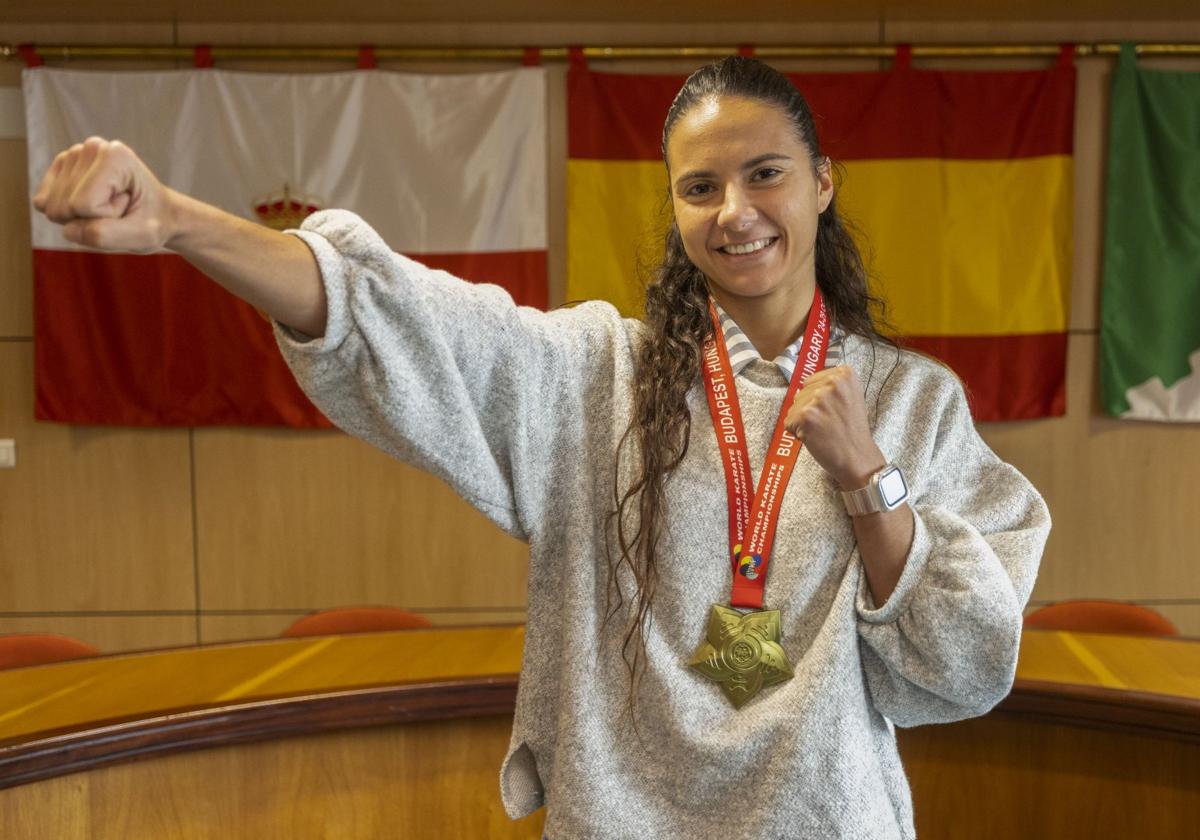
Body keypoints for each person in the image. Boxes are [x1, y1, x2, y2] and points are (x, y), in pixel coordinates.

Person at [33, 56, 1048, 839]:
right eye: (699, 188)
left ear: (824, 184)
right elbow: (401, 319)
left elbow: (965, 666)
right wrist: (173, 220)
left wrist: (870, 477)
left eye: (765, 174)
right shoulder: (597, 376)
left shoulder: (913, 403)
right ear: (676, 208)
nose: (734, 212)